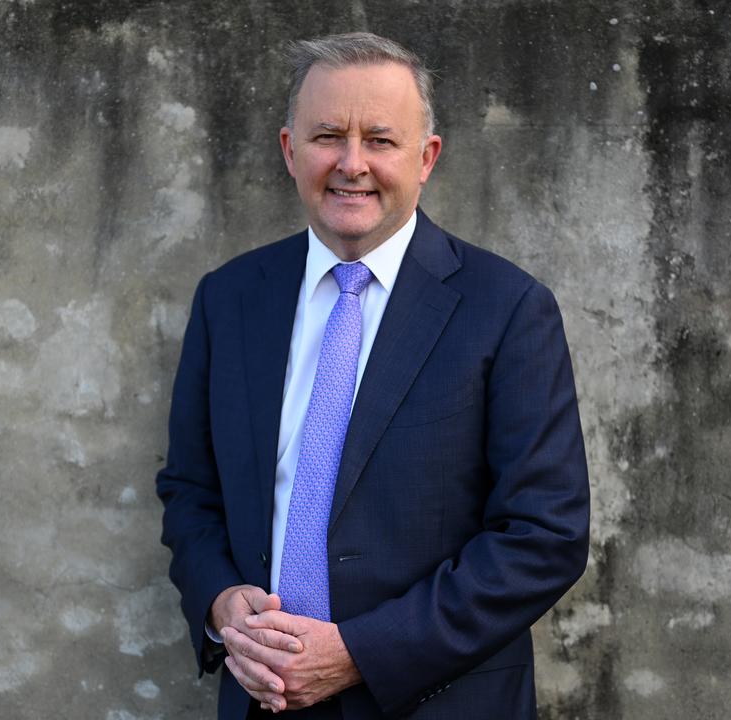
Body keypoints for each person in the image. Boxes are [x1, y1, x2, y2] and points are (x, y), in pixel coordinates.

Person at [156, 32, 589, 720]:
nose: (351, 164)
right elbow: (190, 489)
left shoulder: (506, 308)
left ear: (427, 158)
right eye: (328, 135)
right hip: (262, 698)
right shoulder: (229, 298)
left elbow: (542, 537)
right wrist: (220, 600)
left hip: (437, 702)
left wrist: (359, 651)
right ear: (290, 150)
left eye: (381, 140)